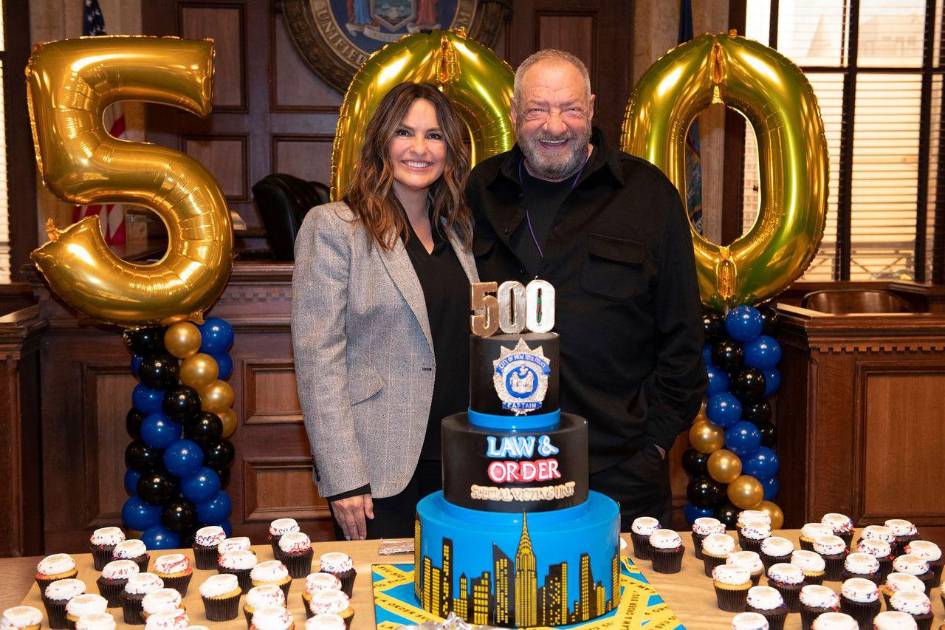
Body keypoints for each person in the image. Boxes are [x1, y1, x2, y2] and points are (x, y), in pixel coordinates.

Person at [466, 50, 706, 529]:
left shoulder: (648, 195)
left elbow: (683, 333)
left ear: (592, 109)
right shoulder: (479, 190)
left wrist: (655, 443)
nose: (554, 125)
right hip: (501, 460)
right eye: (537, 109)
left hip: (619, 467)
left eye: (570, 109)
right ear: (513, 113)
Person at [292, 82, 478, 540]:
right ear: (381, 141)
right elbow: (318, 361)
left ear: (450, 150)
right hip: (377, 471)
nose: (420, 149)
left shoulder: (457, 234)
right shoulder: (335, 227)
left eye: (434, 136)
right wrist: (344, 477)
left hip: (460, 462)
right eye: (404, 132)